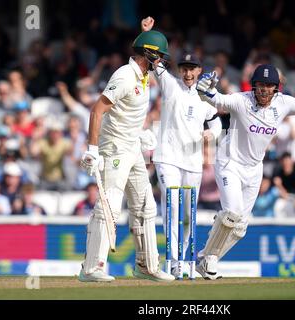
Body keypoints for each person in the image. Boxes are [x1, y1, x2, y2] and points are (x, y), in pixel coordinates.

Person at [195, 63, 295, 279]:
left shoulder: (283, 103)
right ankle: (208, 259)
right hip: (230, 163)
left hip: (255, 169)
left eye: (269, 86)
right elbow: (216, 99)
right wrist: (204, 88)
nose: (264, 90)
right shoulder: (241, 100)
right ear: (254, 86)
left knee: (240, 228)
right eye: (260, 85)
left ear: (276, 88)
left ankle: (207, 257)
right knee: (231, 214)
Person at [79, 26, 174, 282]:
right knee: (108, 205)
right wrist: (92, 149)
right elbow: (97, 110)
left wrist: (140, 133)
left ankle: (146, 266)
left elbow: (128, 113)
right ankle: (91, 268)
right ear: (148, 54)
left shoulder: (143, 75)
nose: (162, 61)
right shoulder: (124, 76)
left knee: (145, 206)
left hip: (132, 146)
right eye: (160, 56)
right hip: (114, 148)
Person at [141, 17, 222, 277]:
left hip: (193, 161)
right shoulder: (170, 84)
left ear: (199, 71)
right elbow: (152, 57)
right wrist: (148, 33)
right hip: (167, 158)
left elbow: (218, 123)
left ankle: (185, 259)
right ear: (180, 70)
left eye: (192, 69)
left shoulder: (203, 99)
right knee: (172, 206)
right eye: (184, 68)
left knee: (189, 213)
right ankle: (173, 260)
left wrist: (210, 135)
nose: (188, 73)